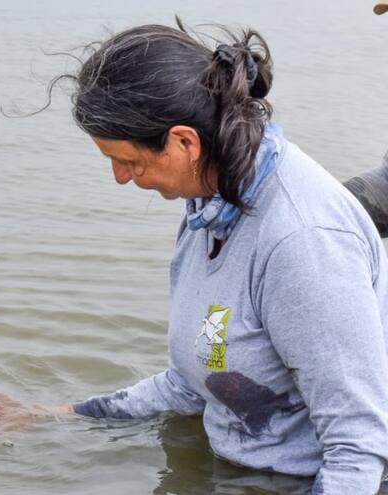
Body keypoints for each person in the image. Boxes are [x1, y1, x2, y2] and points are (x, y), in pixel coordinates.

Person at [42, 22, 388, 494]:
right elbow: (194, 381)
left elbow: (358, 449)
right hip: (237, 470)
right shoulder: (209, 209)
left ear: (185, 143)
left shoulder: (302, 243)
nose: (120, 177)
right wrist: (60, 418)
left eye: (130, 162)